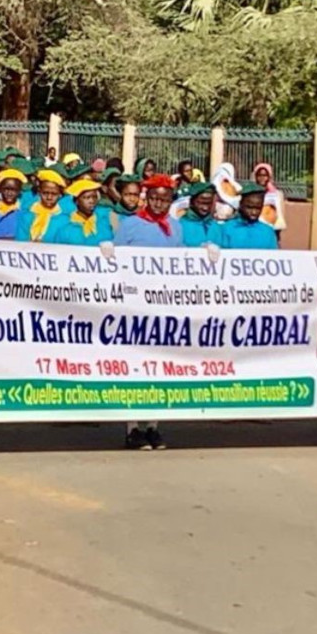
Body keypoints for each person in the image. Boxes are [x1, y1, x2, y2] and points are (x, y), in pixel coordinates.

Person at [111, 173, 184, 451]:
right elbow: (116, 259)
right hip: (134, 305)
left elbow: (183, 261)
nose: (159, 204)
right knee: (133, 366)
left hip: (164, 305)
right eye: (154, 198)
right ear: (146, 197)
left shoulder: (175, 228)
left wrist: (202, 255)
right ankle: (132, 428)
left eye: (164, 199)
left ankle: (154, 425)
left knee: (161, 367)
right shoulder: (130, 224)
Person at [48, 180, 114, 246]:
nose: (92, 201)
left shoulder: (104, 224)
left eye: (94, 197)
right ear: (77, 201)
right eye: (87, 198)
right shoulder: (65, 228)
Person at [219, 182, 278, 250]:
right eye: (249, 207)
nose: (254, 212)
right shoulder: (227, 228)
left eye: (258, 208)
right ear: (241, 204)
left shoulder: (268, 232)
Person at [15, 168, 67, 242]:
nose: (49, 197)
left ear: (59, 195)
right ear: (39, 192)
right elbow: (19, 242)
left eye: (54, 194)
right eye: (45, 193)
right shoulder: (27, 216)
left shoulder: (64, 220)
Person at [176, 182, 223, 248]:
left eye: (208, 203)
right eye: (201, 203)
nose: (205, 207)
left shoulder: (217, 226)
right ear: (191, 202)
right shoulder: (180, 226)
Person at [0, 169, 25, 240]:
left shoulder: (24, 212)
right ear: (0, 189)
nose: (9, 193)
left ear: (19, 191)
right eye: (6, 189)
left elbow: (25, 237)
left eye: (13, 190)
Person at [253, 162, 287, 239]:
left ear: (269, 176)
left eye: (265, 175)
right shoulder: (252, 192)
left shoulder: (277, 194)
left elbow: (281, 212)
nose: (262, 178)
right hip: (256, 228)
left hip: (272, 229)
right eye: (259, 175)